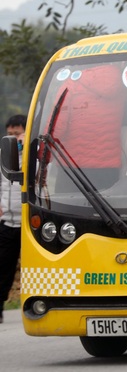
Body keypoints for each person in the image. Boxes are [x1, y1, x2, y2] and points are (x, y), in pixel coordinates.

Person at [0, 114, 27, 323]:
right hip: (8, 221)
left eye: (17, 134)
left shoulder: (35, 155)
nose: (13, 138)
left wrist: (26, 148)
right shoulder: (3, 155)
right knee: (3, 267)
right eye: (9, 135)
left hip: (30, 223)